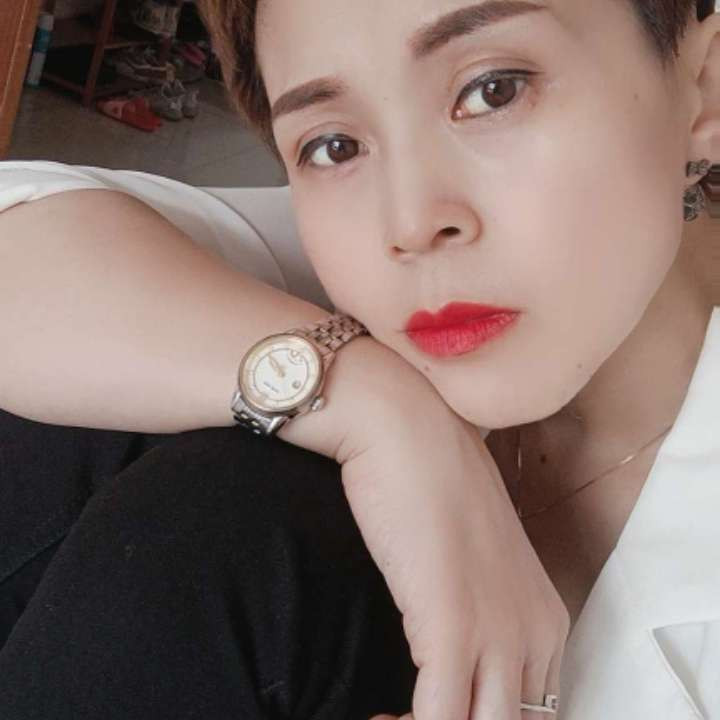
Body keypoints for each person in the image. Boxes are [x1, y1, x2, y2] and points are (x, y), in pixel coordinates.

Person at [0, 0, 718, 718]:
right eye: (335, 146)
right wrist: (379, 412)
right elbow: (26, 233)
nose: (409, 222)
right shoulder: (361, 279)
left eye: (493, 90)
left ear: (706, 85)